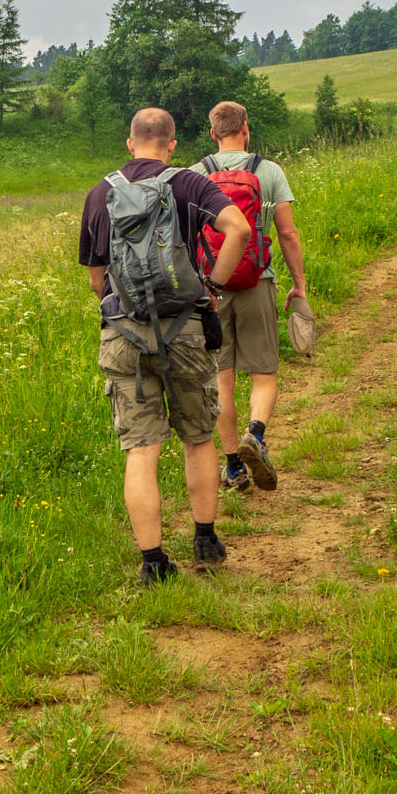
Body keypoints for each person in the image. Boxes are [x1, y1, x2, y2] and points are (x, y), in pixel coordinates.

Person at [81, 107, 254, 585]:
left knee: (141, 450)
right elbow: (238, 229)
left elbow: (97, 276)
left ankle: (153, 563)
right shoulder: (189, 184)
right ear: (173, 144)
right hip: (186, 329)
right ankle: (204, 540)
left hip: (124, 335)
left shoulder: (101, 193)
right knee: (198, 437)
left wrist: (120, 307)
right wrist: (212, 287)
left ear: (130, 143)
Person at [190, 99, 307, 492]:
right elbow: (287, 233)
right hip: (259, 280)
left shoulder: (195, 175)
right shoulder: (269, 172)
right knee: (263, 373)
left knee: (222, 379)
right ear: (246, 128)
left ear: (212, 133)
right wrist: (299, 285)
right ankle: (255, 434)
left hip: (212, 288)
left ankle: (234, 468)